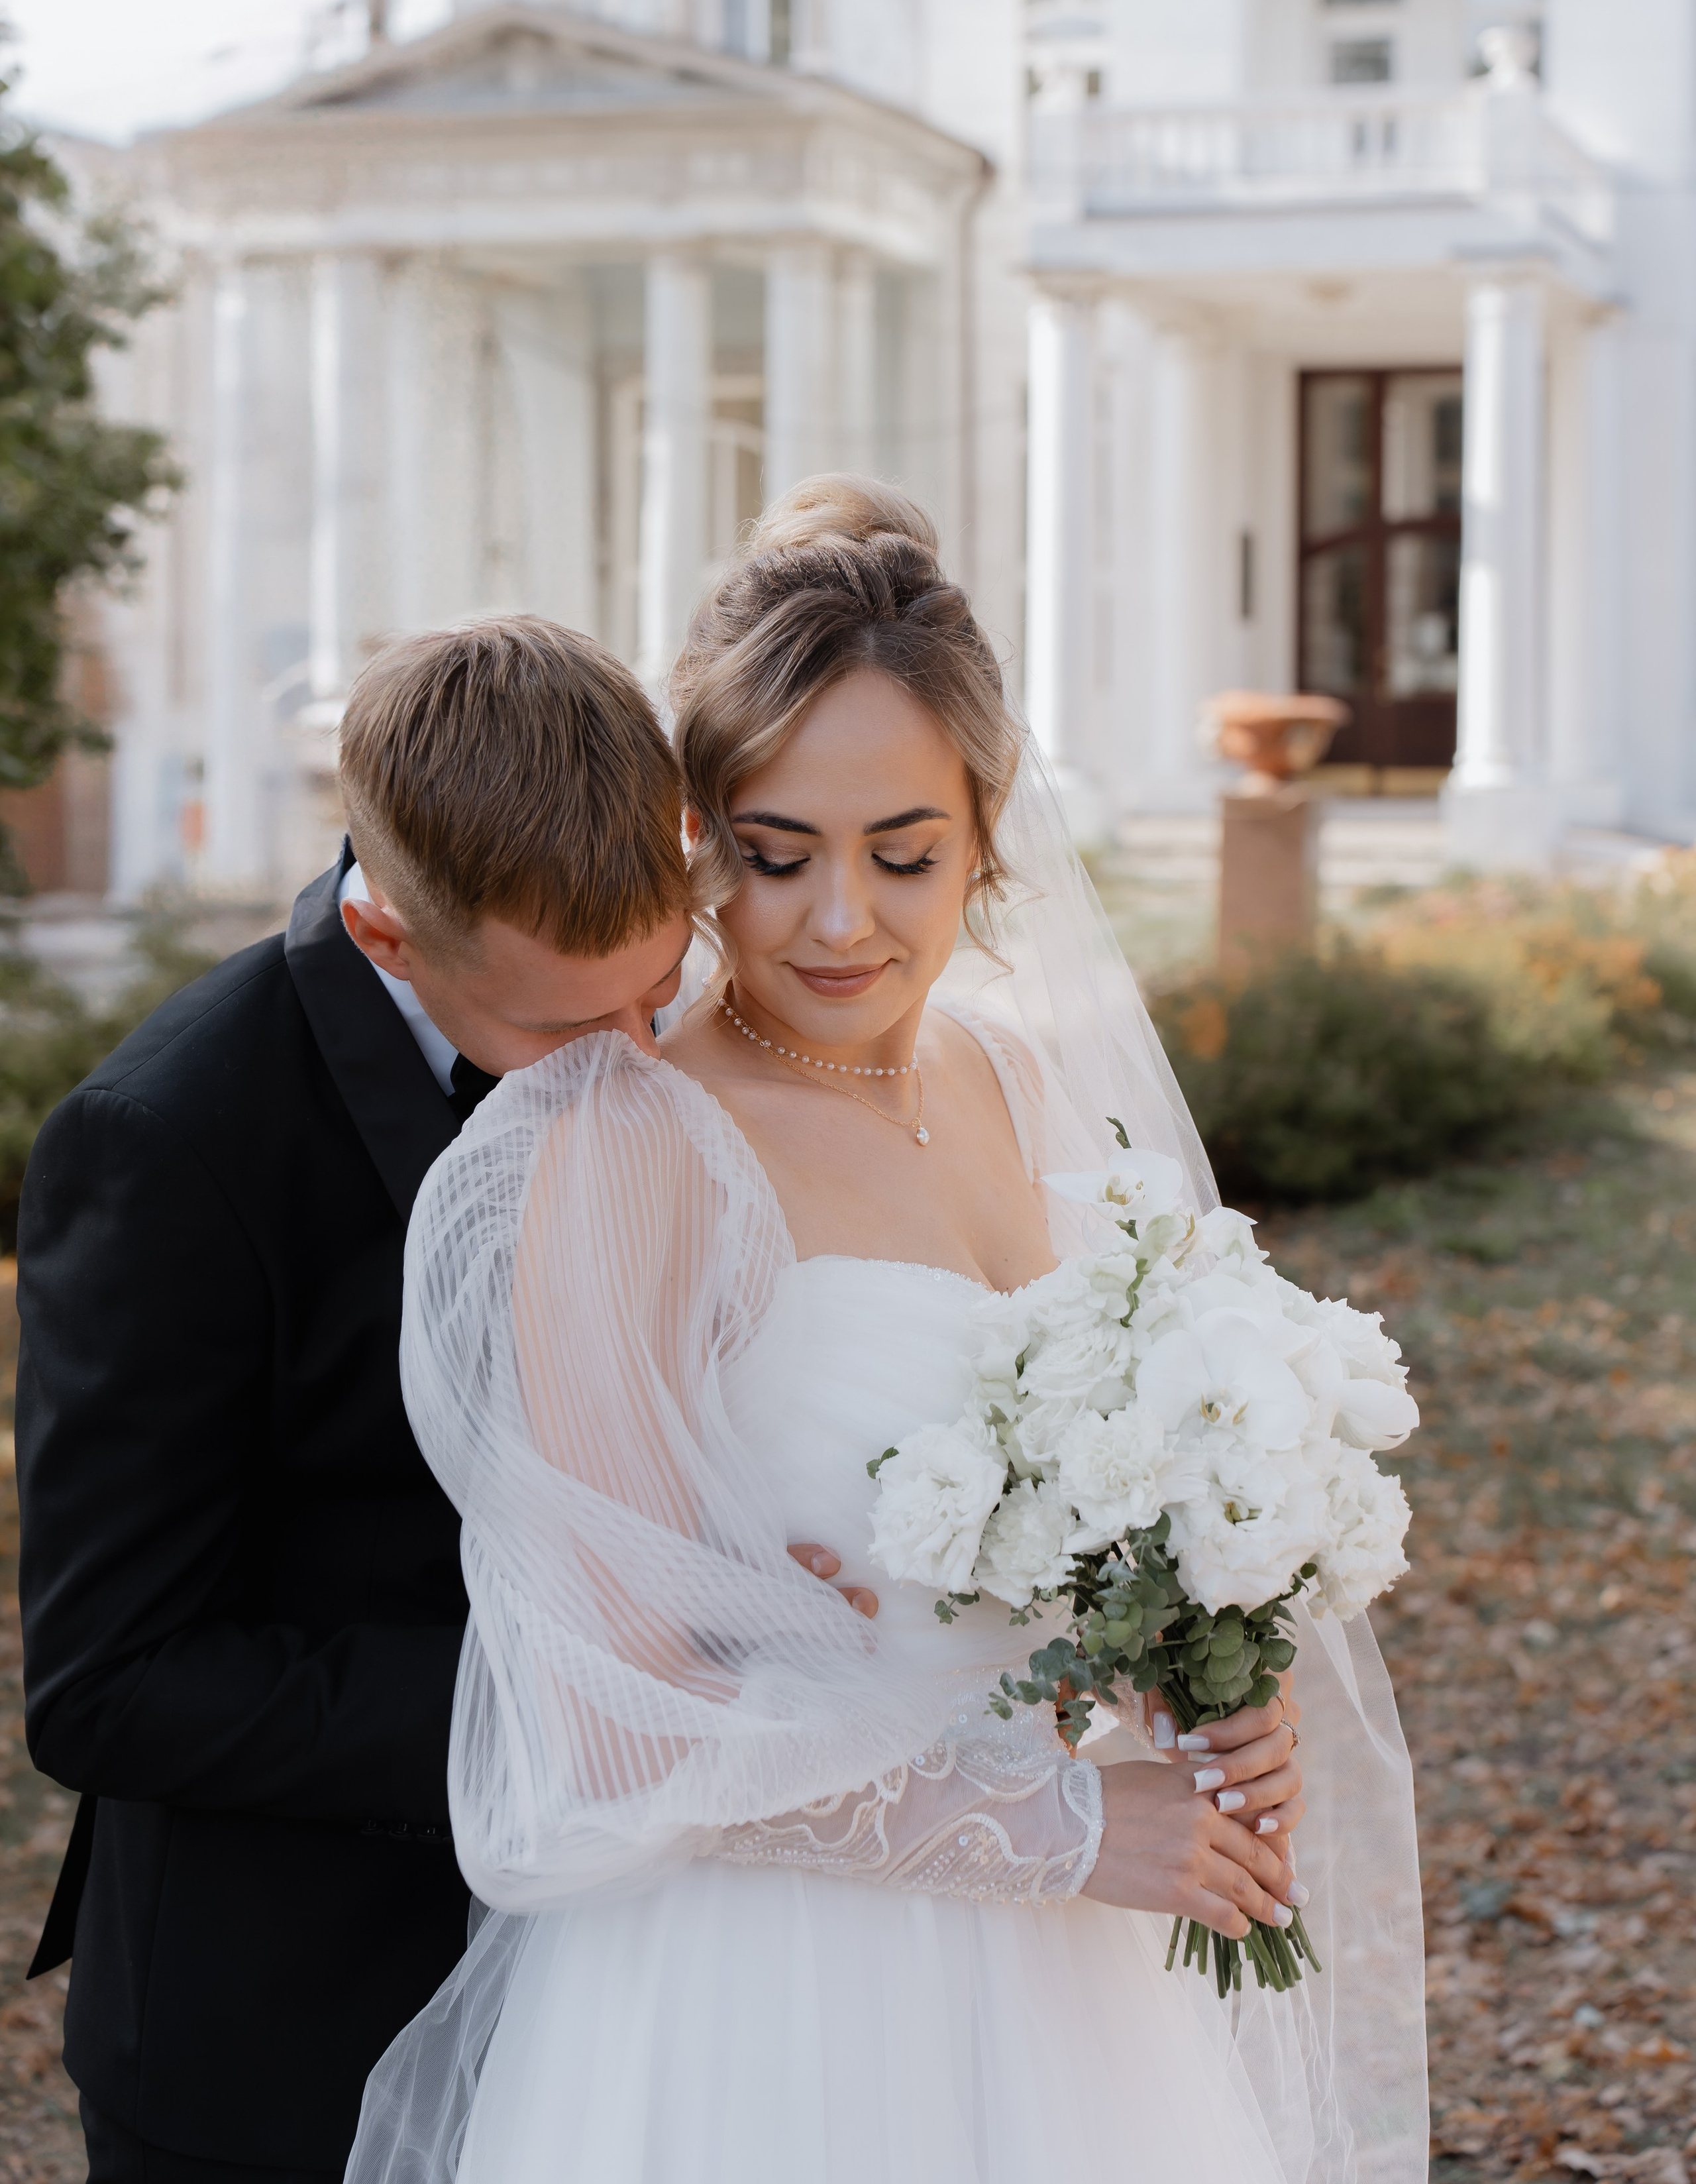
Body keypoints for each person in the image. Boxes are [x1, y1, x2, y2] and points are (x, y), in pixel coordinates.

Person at [348, 482, 1426, 2184]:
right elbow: (611, 1731)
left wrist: (1211, 1669)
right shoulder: (625, 1144)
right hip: (776, 1998)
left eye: (903, 853)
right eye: (772, 855)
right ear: (695, 831)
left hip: (1082, 1984)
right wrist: (1057, 1826)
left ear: (987, 833)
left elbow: (1121, 1489)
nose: (839, 920)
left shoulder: (1024, 1078)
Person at [15, 618, 868, 2184]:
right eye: (559, 1029)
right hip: (287, 2036)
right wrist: (568, 1696)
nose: (633, 1058)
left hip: (633, 2004)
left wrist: (741, 1598)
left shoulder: (659, 1034)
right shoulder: (167, 1146)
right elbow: (107, 1682)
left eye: (656, 987)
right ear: (392, 933)